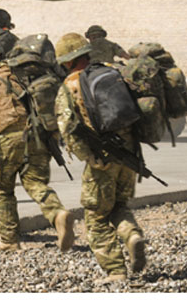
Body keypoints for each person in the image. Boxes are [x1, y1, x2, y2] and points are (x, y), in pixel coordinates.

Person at [0, 35, 74, 253]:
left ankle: (9, 239)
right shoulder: (20, 73)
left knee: (1, 187)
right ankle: (58, 213)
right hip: (38, 136)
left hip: (8, 140)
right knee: (36, 183)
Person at [54, 32, 145, 285]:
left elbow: (67, 128)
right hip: (129, 156)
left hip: (101, 160)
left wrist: (89, 158)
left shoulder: (69, 86)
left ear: (68, 61)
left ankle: (115, 270)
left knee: (95, 216)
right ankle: (131, 235)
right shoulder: (113, 72)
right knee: (118, 206)